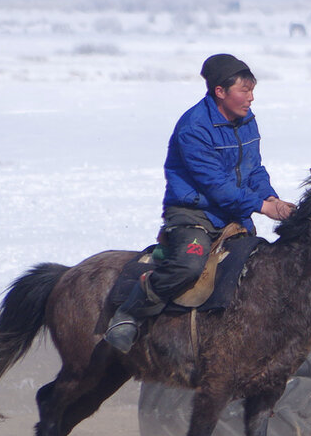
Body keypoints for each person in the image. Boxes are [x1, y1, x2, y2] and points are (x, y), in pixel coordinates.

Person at [104, 54, 295, 354]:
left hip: (234, 213)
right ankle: (128, 314)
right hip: (194, 212)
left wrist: (270, 196)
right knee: (188, 265)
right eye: (244, 91)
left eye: (252, 90)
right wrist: (263, 207)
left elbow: (254, 168)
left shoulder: (247, 121)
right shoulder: (194, 127)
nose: (251, 97)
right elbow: (216, 185)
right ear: (220, 91)